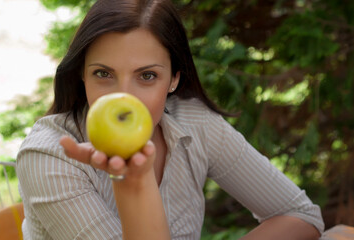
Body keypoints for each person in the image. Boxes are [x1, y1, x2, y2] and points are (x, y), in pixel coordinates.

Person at [16, 0, 324, 239]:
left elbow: (301, 215)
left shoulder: (194, 124)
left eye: (147, 76)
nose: (124, 97)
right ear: (82, 74)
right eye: (103, 74)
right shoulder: (49, 156)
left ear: (174, 78)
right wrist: (131, 178)